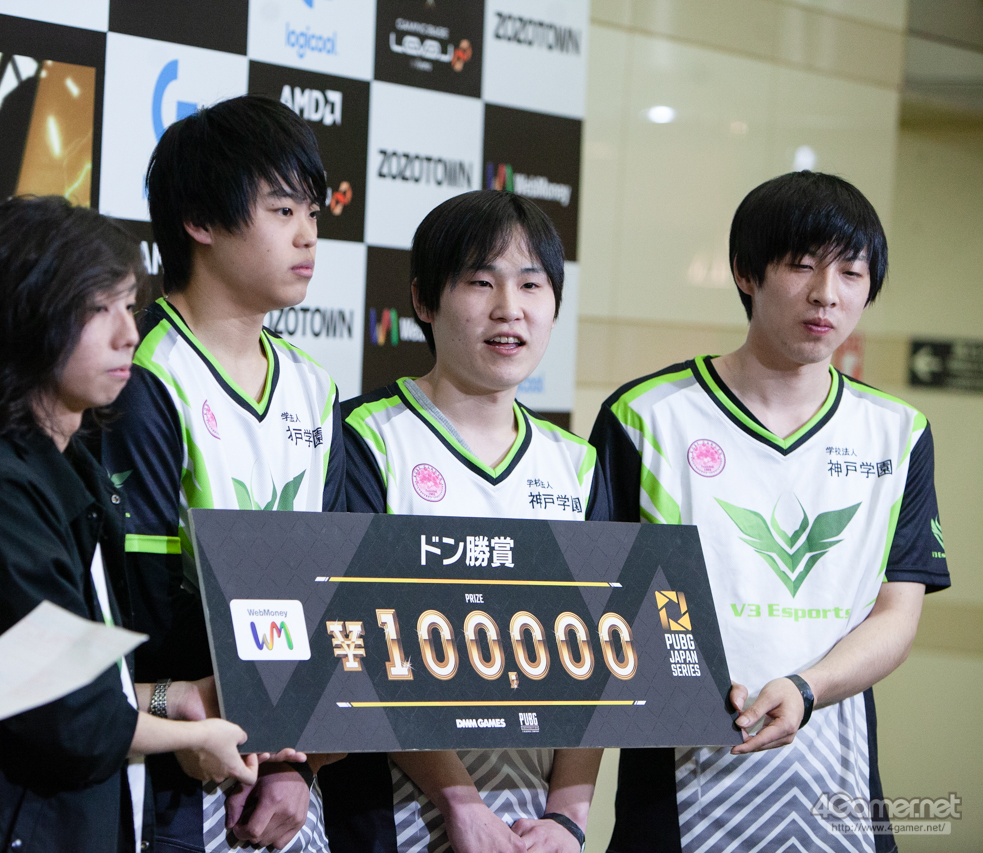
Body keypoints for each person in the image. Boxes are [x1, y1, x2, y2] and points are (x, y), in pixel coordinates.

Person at [0, 196, 287, 853]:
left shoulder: (64, 467)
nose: (127, 333)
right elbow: (69, 717)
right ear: (23, 320)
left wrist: (175, 697)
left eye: (129, 305)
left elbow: (66, 684)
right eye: (97, 309)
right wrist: (191, 735)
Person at [590, 171, 950, 852]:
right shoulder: (647, 417)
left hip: (837, 798)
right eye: (802, 266)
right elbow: (598, 606)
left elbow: (897, 614)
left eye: (851, 272)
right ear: (745, 272)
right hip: (680, 796)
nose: (827, 293)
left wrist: (807, 688)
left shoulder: (898, 434)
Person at [321, 190, 603, 853]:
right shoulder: (364, 437)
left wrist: (568, 816)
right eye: (481, 282)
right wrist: (461, 800)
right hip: (389, 816)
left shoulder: (577, 464)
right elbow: (358, 637)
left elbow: (601, 662)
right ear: (424, 301)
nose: (510, 308)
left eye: (531, 284)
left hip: (534, 825)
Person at [103, 94, 343, 853]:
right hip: (167, 769)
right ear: (200, 221)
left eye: (312, 212)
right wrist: (202, 722)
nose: (307, 235)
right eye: (282, 210)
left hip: (287, 773)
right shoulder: (140, 375)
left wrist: (293, 762)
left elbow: (334, 586)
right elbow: (133, 608)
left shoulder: (315, 387)